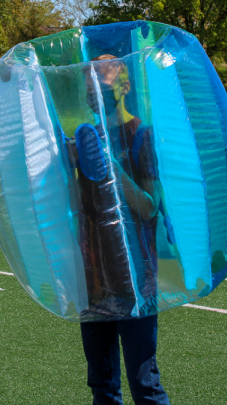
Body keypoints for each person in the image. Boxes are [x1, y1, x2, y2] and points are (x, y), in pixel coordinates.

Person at [74, 54, 171, 405]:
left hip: (135, 275)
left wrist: (114, 167)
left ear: (124, 85)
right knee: (101, 385)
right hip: (93, 275)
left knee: (144, 383)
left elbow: (149, 207)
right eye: (88, 82)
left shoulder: (141, 134)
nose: (93, 82)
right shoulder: (86, 137)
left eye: (101, 75)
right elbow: (79, 207)